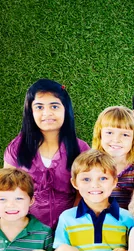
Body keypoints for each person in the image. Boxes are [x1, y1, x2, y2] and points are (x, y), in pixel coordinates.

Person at [3, 79, 89, 229]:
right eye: (39, 107)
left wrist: (69, 224)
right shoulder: (16, 148)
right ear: (30, 111)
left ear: (65, 109)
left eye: (54, 106)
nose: (47, 113)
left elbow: (83, 194)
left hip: (69, 229)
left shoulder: (80, 148)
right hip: (26, 231)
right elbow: (6, 190)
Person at [53, 150, 134, 251]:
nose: (94, 185)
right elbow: (58, 248)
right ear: (75, 183)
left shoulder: (129, 218)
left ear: (114, 182)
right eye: (86, 179)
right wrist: (64, 248)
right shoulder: (67, 217)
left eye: (103, 178)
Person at [92, 106, 134, 209]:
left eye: (125, 135)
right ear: (100, 135)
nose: (116, 139)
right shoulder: (90, 168)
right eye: (109, 132)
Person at [0, 167, 53, 251]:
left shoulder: (44, 233)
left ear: (31, 201)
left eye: (19, 199)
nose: (10, 205)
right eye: (2, 199)